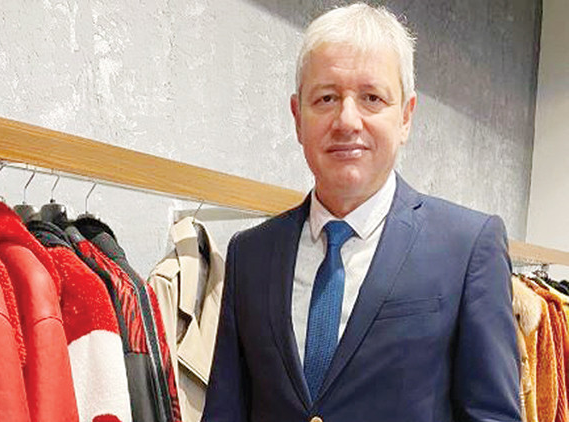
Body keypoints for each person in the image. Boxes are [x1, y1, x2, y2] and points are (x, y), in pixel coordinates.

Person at [201, 3, 521, 422]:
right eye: (326, 98)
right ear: (298, 117)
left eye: (372, 98)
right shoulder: (250, 254)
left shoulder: (467, 248)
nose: (347, 121)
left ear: (405, 116)